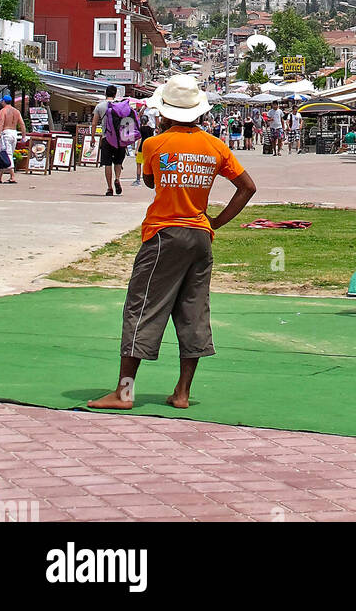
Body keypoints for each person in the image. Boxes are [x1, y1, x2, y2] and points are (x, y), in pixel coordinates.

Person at [88, 75, 256, 412]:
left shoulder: (154, 144)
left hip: (164, 234)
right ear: (198, 112)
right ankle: (181, 392)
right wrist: (214, 222)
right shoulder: (215, 146)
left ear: (164, 113)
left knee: (142, 307)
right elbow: (247, 187)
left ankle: (124, 392)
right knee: (193, 311)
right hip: (199, 237)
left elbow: (151, 181)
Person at [92, 84, 124, 197]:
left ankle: (109, 187)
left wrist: (92, 137)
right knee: (118, 162)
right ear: (115, 94)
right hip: (119, 139)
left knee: (107, 163)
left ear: (105, 93)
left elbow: (94, 123)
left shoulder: (100, 106)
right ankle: (118, 178)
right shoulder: (120, 105)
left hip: (106, 138)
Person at [0, 92, 25, 185]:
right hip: (14, 133)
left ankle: (12, 176)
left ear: (4, 101)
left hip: (6, 133)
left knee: (6, 154)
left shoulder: (3, 111)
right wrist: (23, 136)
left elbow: (1, 123)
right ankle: (0, 176)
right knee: (8, 155)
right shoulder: (16, 111)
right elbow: (22, 124)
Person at [134, 111, 156, 186]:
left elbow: (139, 139)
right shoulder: (150, 129)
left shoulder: (140, 129)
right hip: (148, 148)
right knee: (148, 164)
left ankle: (138, 180)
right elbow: (152, 138)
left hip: (141, 148)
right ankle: (150, 178)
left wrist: (136, 149)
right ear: (148, 120)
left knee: (139, 164)